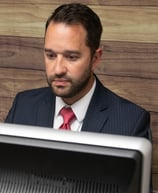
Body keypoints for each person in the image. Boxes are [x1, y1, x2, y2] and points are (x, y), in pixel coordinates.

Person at [5, 3, 151, 140]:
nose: (58, 69)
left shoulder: (131, 122)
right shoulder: (23, 106)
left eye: (71, 57)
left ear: (95, 58)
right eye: (51, 55)